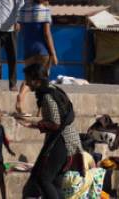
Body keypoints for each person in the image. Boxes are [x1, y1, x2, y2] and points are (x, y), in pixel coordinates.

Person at [16, 62, 82, 199]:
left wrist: (30, 122)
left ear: (37, 81)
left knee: (43, 179)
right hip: (67, 140)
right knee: (55, 181)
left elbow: (55, 123)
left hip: (61, 141)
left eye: (28, 80)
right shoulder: (52, 89)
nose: (27, 83)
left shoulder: (47, 96)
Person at [16, 0, 58, 113]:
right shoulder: (45, 11)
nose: (48, 2)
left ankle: (21, 97)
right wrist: (53, 53)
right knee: (43, 81)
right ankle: (41, 110)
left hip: (28, 49)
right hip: (42, 51)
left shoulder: (23, 9)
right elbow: (47, 34)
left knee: (29, 78)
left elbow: (20, 29)